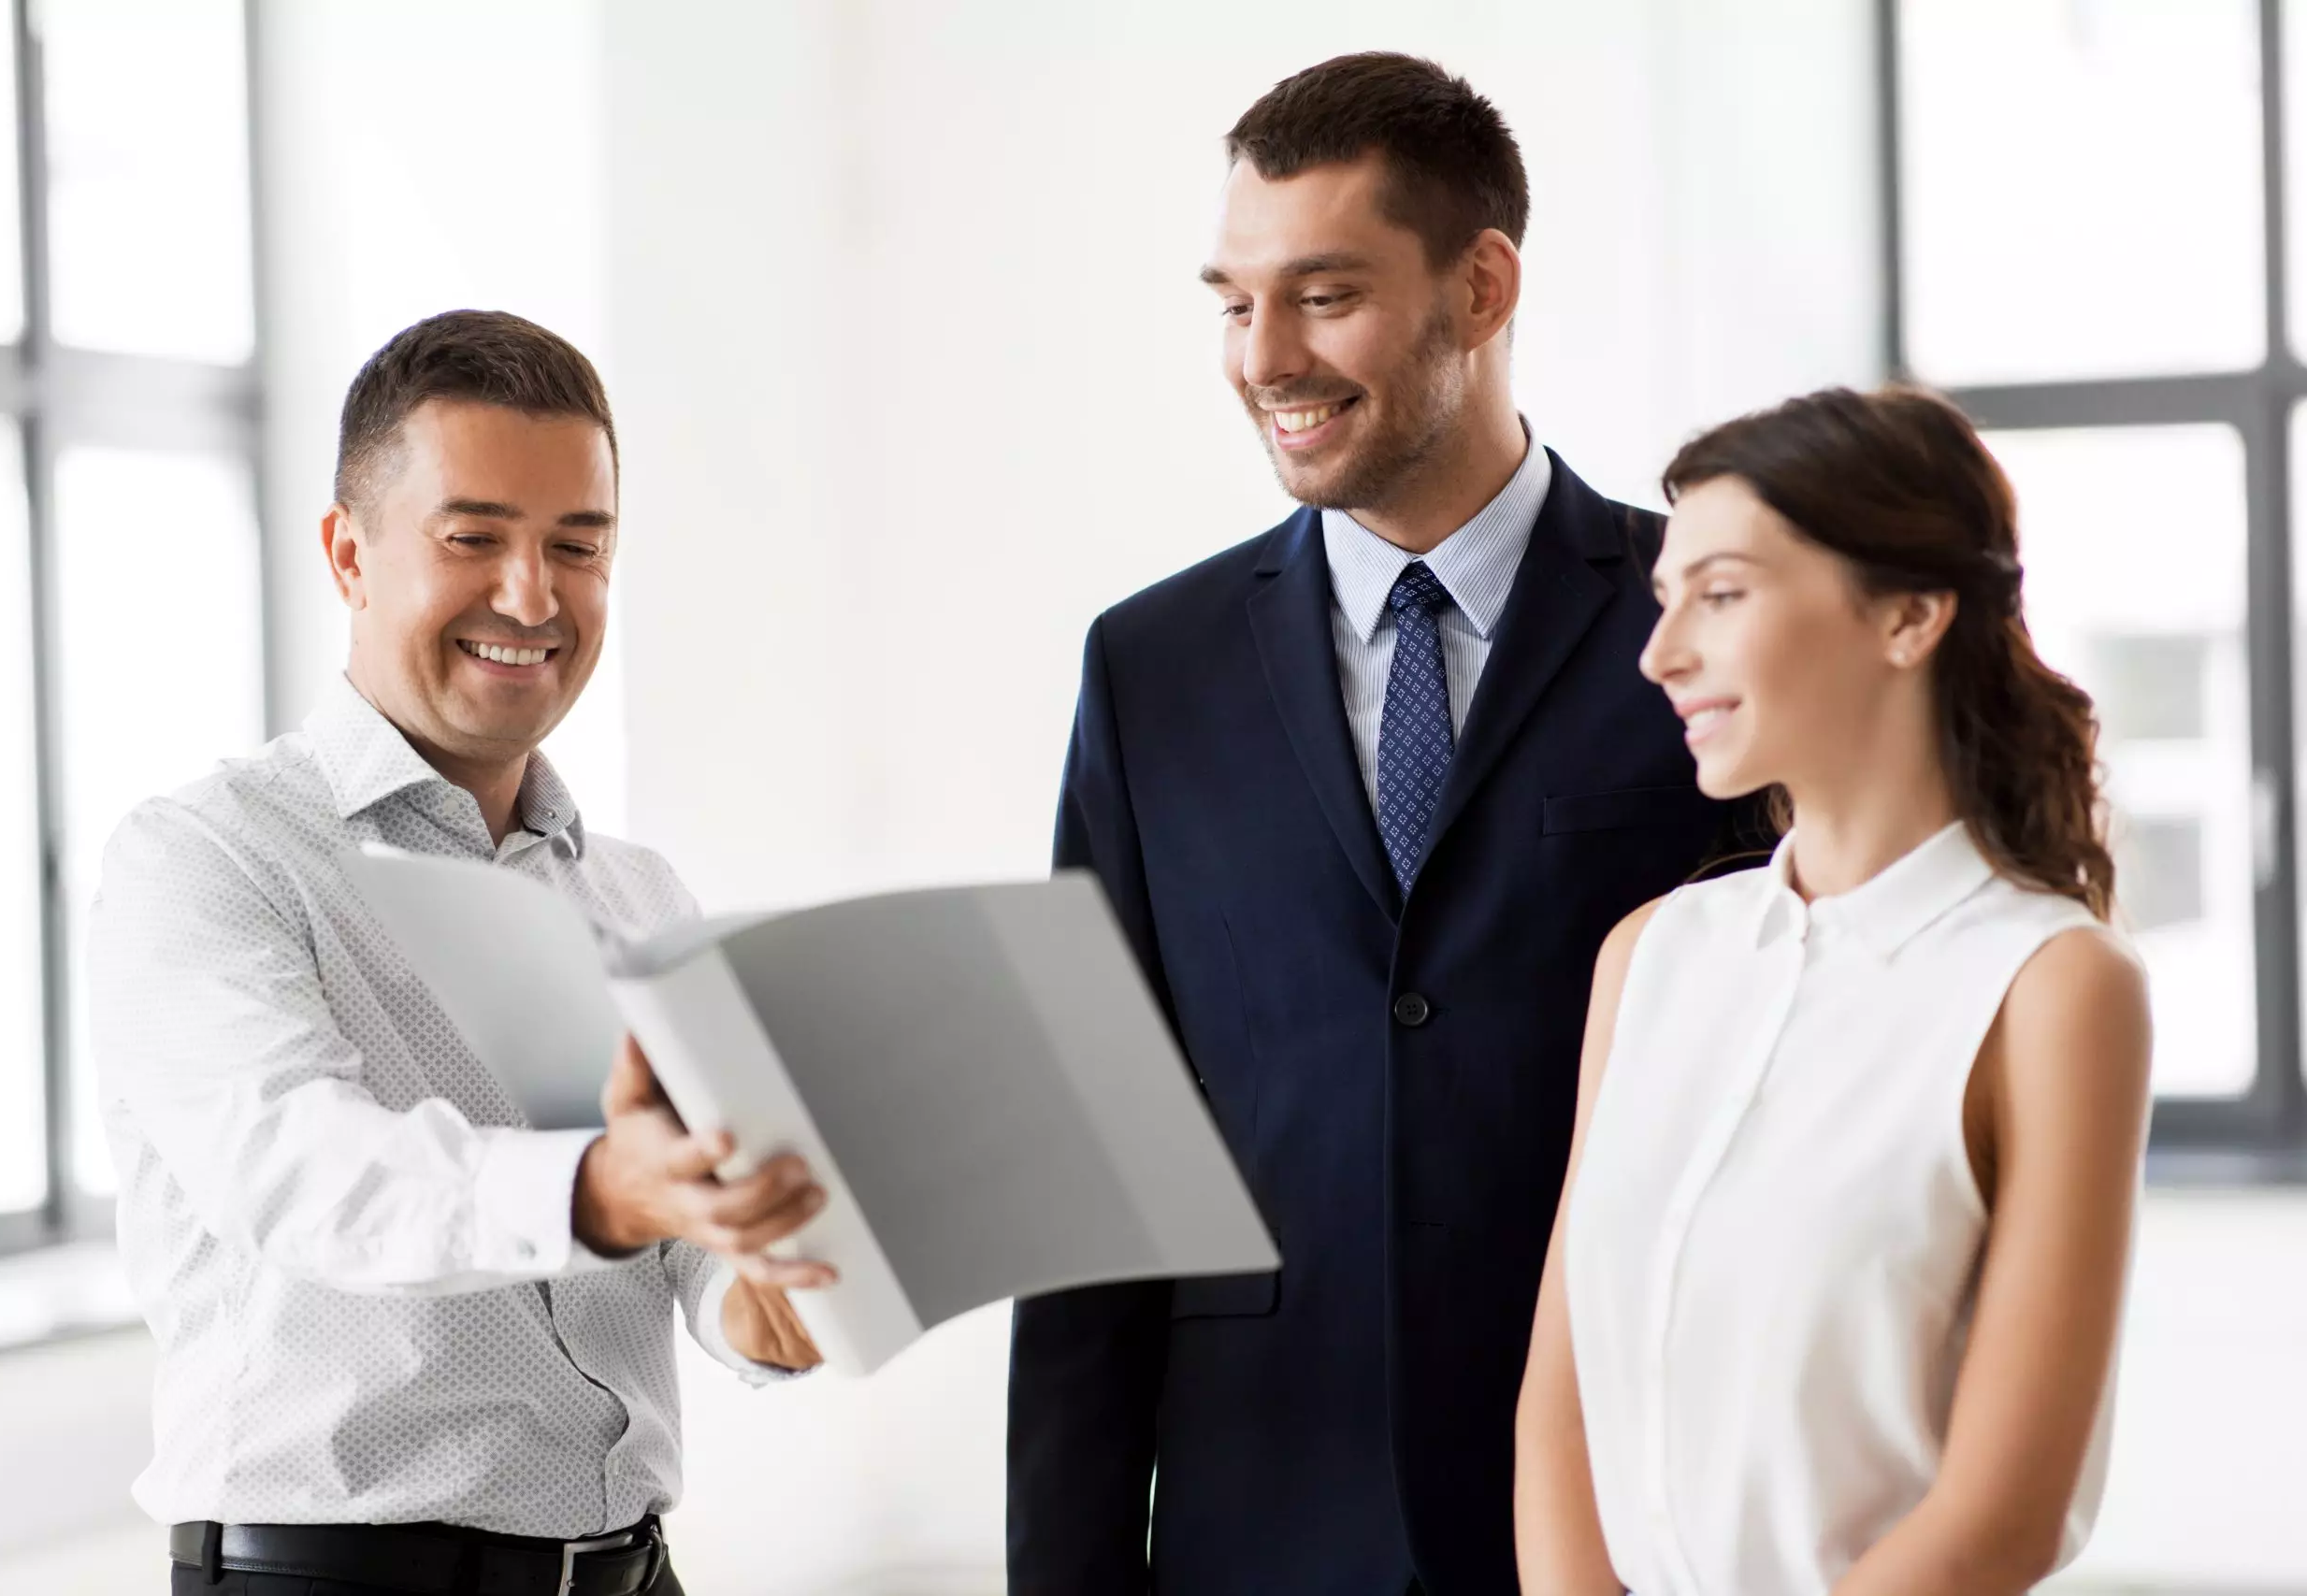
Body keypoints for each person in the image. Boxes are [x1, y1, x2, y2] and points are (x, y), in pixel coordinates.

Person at [1007, 53, 1734, 1594]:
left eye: (1324, 295)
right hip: (1255, 1518)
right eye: (1232, 300)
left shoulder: (1702, 629)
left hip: (1627, 1514)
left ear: (1481, 287)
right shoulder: (1150, 668)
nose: (1262, 355)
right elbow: (1094, 1147)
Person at [94, 310, 835, 1596]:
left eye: (577, 545)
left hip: (630, 1568)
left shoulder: (637, 893)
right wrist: (602, 1189)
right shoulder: (207, 859)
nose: (533, 596)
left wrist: (756, 1297)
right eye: (474, 538)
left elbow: (681, 1232)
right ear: (349, 554)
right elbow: (304, 1170)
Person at [1514, 385, 2153, 1595]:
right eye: (1665, 600)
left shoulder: (2053, 988)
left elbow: (1998, 1515)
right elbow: (1559, 1406)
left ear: (1909, 613)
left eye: (1723, 593)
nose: (1661, 655)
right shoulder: (1648, 957)